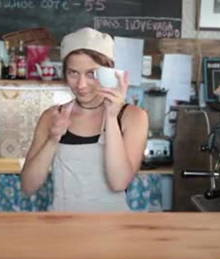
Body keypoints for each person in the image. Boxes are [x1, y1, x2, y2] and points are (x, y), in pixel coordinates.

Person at [20, 27, 149, 212]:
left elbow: (119, 182)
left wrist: (111, 117)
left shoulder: (133, 117)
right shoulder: (52, 116)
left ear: (109, 72)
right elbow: (28, 186)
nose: (81, 85)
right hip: (63, 229)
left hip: (114, 231)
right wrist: (53, 139)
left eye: (91, 74)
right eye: (73, 73)